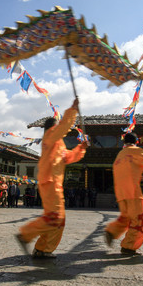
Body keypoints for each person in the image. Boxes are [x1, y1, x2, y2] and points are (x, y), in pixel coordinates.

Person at [16, 99, 88, 258]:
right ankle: (26, 234)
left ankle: (43, 249)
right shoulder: (50, 137)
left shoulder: (58, 144)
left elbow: (69, 157)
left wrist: (81, 148)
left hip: (55, 184)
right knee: (56, 217)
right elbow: (63, 128)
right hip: (50, 182)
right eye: (57, 126)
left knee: (59, 220)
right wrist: (73, 110)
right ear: (52, 127)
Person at [104, 132, 143, 256]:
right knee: (138, 220)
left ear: (124, 142)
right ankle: (129, 246)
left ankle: (112, 231)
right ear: (136, 142)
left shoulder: (120, 154)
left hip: (121, 192)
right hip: (133, 191)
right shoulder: (136, 151)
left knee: (126, 217)